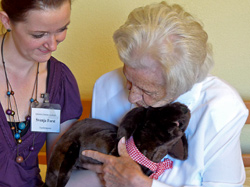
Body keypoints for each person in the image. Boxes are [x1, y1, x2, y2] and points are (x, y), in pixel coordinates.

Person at [81, 1, 249, 187]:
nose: (131, 97)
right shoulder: (107, 85)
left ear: (181, 86)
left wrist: (142, 184)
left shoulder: (221, 109)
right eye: (128, 79)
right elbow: (96, 168)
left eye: (147, 91)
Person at [0, 0, 82, 186]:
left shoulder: (61, 81)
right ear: (6, 21)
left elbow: (60, 167)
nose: (52, 46)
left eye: (61, 29)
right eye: (39, 35)